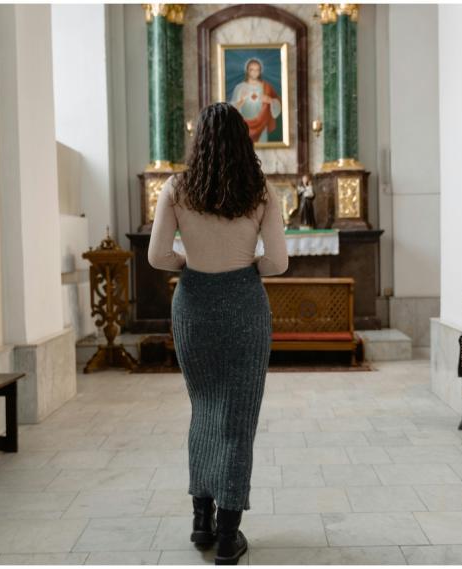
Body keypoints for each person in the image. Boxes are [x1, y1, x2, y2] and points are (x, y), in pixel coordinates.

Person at [147, 102, 288, 565]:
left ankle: (200, 521)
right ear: (244, 140)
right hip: (244, 305)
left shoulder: (177, 187)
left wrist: (189, 264)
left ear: (199, 140)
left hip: (193, 306)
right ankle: (228, 535)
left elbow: (157, 256)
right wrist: (246, 265)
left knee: (203, 409)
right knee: (237, 420)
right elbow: (277, 263)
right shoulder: (261, 190)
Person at [229, 58, 282, 143]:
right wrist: (241, 101)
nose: (254, 72)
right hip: (244, 126)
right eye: (252, 70)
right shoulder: (240, 87)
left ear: (260, 71)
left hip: (262, 126)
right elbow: (231, 109)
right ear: (247, 71)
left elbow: (278, 104)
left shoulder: (266, 87)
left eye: (257, 70)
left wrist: (270, 101)